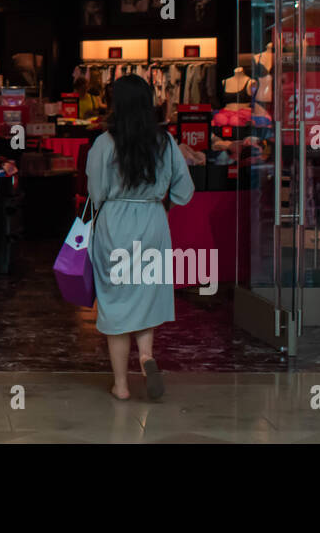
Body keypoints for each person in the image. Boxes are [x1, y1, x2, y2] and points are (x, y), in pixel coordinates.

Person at [85, 73, 195, 401]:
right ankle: (146, 357)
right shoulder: (166, 142)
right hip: (152, 222)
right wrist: (161, 205)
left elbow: (96, 192)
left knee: (116, 301)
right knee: (146, 294)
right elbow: (185, 190)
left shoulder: (105, 143)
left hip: (114, 224)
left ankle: (121, 385)